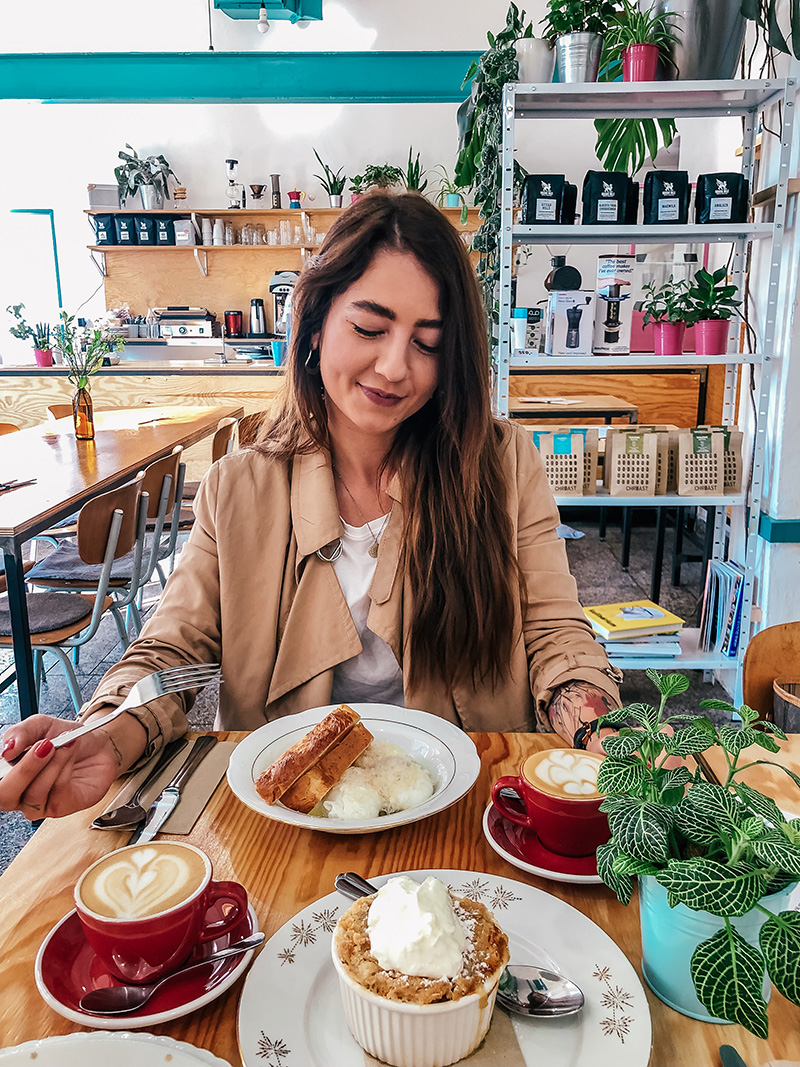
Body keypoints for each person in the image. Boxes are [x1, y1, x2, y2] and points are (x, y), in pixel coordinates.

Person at [0, 192, 622, 822]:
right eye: (370, 329)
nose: (394, 367)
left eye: (428, 343)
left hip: (465, 806)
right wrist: (105, 732)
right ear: (317, 322)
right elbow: (175, 651)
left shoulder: (501, 465)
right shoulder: (238, 488)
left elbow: (554, 631)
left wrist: (606, 733)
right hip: (288, 812)